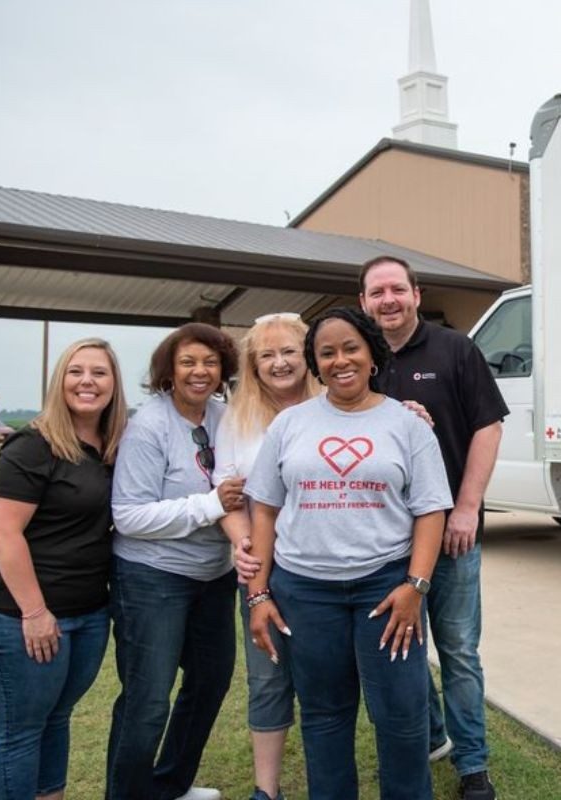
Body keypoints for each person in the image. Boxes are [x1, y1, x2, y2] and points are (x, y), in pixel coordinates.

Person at [244, 306, 453, 800]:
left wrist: (415, 587)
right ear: (315, 364)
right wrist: (258, 595)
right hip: (305, 592)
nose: (340, 360)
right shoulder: (291, 424)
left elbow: (430, 512)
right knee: (325, 716)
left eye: (351, 348)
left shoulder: (406, 424)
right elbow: (265, 511)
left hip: (387, 590)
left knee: (402, 716)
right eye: (327, 353)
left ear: (372, 354)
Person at [359, 256, 509, 800]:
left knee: (458, 651)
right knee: (400, 645)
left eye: (398, 288)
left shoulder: (454, 349)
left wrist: (466, 507)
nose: (389, 299)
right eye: (378, 292)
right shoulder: (361, 359)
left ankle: (473, 766)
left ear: (416, 294)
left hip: (451, 536)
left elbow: (488, 428)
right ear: (364, 302)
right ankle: (429, 737)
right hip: (383, 539)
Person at [0, 337, 128, 800]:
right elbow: (5, 534)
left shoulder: (112, 445)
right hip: (18, 615)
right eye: (76, 371)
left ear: (114, 384)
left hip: (87, 612)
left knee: (56, 719)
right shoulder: (33, 445)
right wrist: (35, 613)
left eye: (99, 372)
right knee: (20, 732)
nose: (87, 382)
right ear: (60, 380)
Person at [106, 322, 245, 800]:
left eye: (210, 361)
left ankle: (168, 786)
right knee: (147, 701)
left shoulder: (228, 417)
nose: (199, 371)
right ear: (169, 370)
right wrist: (210, 504)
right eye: (188, 362)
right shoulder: (150, 424)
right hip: (153, 576)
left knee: (211, 682)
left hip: (214, 575)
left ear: (224, 368)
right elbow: (127, 514)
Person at [213, 312, 320, 800]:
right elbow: (226, 496)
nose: (279, 363)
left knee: (327, 678)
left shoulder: (337, 402)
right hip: (264, 569)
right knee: (268, 678)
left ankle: (330, 779)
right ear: (253, 365)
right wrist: (242, 543)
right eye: (267, 356)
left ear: (308, 354)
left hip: (327, 567)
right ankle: (266, 790)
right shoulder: (238, 418)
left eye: (289, 352)